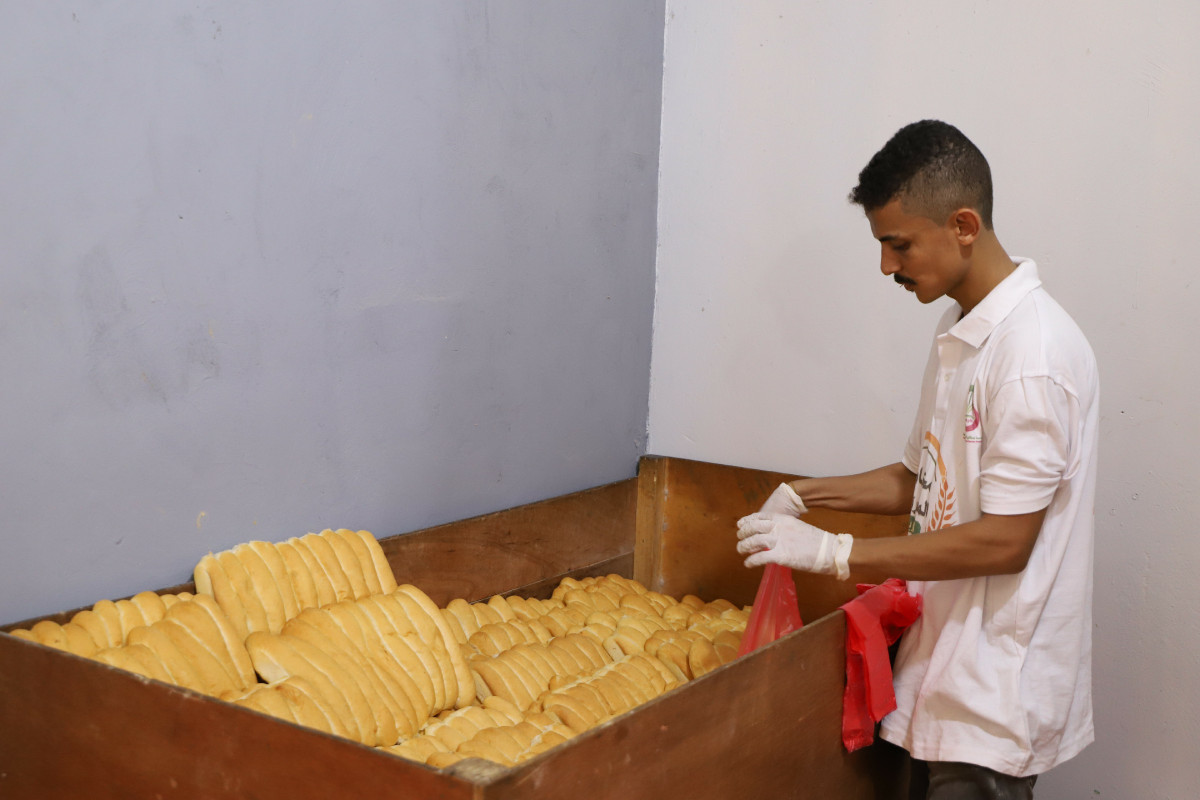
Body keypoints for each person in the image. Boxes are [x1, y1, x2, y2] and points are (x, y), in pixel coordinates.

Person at [736, 120, 1098, 799]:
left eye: (898, 244)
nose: (886, 267)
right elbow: (918, 479)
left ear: (963, 225)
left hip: (992, 700)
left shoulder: (1032, 355)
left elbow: (1007, 541)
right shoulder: (959, 328)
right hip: (937, 671)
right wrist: (804, 494)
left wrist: (838, 553)